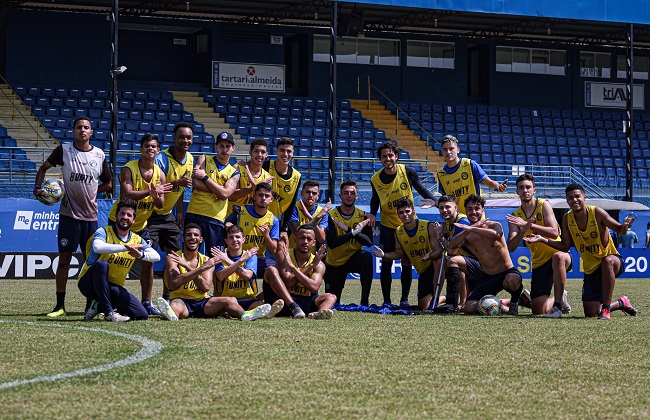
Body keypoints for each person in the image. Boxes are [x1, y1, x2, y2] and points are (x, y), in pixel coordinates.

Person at [34, 116, 112, 317]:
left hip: (90, 218)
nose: (82, 130)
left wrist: (94, 191)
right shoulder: (64, 150)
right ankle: (60, 306)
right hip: (68, 216)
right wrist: (37, 187)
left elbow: (109, 184)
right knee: (64, 261)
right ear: (73, 131)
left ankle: (90, 305)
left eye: (86, 127)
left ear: (91, 132)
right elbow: (43, 169)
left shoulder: (99, 155)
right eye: (79, 127)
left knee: (90, 263)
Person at [525, 183, 638, 320]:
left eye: (577, 196)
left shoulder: (597, 212)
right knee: (591, 313)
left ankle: (606, 309)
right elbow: (565, 246)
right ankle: (621, 303)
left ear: (584, 197)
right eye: (570, 198)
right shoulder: (567, 218)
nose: (574, 200)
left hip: (612, 261)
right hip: (591, 270)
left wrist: (624, 226)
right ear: (567, 201)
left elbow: (620, 230)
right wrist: (543, 239)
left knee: (607, 261)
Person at [106, 134, 172, 316]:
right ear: (141, 149)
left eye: (153, 146)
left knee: (148, 262)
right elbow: (126, 195)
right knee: (112, 262)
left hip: (141, 225)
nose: (150, 149)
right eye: (147, 146)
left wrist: (156, 196)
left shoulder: (160, 174)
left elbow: (160, 204)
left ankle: (147, 303)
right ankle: (104, 301)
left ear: (158, 150)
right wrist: (150, 192)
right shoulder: (129, 169)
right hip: (119, 222)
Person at [368, 141, 438, 307]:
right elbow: (375, 198)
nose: (388, 159)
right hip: (388, 225)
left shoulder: (408, 171)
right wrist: (372, 213)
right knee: (386, 262)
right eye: (384, 156)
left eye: (390, 155)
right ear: (380, 159)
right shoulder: (375, 179)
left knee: (406, 261)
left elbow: (421, 188)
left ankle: (404, 300)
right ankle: (386, 301)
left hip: (407, 224)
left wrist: (435, 201)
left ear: (396, 156)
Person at [157, 223, 272, 321]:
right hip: (181, 300)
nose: (192, 237)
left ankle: (245, 315)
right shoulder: (173, 258)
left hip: (203, 302)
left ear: (201, 239)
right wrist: (199, 268)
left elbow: (206, 287)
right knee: (175, 306)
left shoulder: (207, 260)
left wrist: (188, 267)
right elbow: (174, 283)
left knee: (230, 300)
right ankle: (172, 314)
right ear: (183, 238)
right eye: (188, 235)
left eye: (196, 235)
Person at [78, 200, 160, 322]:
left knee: (141, 314)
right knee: (101, 265)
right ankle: (109, 313)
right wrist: (126, 247)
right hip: (89, 284)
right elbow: (97, 247)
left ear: (134, 220)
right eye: (122, 213)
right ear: (116, 216)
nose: (125, 217)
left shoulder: (137, 239)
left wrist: (140, 254)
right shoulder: (103, 231)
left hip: (112, 287)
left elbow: (156, 256)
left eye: (129, 215)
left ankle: (98, 306)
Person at [506, 174, 572, 317]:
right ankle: (560, 297)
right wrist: (522, 231)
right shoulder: (515, 217)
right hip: (539, 263)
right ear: (517, 191)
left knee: (558, 257)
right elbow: (511, 247)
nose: (525, 190)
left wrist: (529, 225)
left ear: (534, 190)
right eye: (521, 188)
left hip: (559, 254)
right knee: (537, 310)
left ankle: (557, 305)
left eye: (528, 187)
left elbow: (554, 232)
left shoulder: (543, 204)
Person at [448, 194, 524, 315]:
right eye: (470, 209)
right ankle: (499, 306)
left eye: (477, 208)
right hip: (487, 276)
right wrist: (469, 229)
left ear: (482, 210)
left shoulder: (493, 225)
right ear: (465, 211)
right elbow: (451, 247)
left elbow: (497, 234)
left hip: (506, 272)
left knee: (513, 280)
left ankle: (515, 301)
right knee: (468, 308)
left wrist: (472, 228)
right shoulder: (467, 233)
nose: (473, 212)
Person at [371, 198, 439, 310]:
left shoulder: (428, 226)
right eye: (401, 212)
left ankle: (448, 298)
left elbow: (438, 250)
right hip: (424, 271)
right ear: (398, 215)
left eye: (407, 211)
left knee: (439, 261)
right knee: (423, 306)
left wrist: (429, 256)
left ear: (413, 212)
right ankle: (443, 298)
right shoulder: (399, 232)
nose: (405, 215)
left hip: (436, 266)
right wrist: (384, 255)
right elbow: (399, 254)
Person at [263, 225, 337, 319]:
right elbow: (288, 282)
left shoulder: (318, 263)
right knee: (271, 270)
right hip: (282, 301)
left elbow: (313, 287)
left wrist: (296, 267)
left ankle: (318, 314)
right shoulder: (285, 255)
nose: (305, 242)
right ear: (295, 240)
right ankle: (294, 307)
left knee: (331, 297)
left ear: (314, 243)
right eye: (302, 238)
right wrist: (310, 266)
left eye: (309, 239)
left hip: (305, 301)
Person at [186, 131, 240, 253]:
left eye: (227, 146)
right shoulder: (204, 158)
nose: (224, 149)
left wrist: (205, 177)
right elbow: (195, 183)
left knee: (216, 257)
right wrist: (219, 189)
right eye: (221, 146)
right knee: (190, 254)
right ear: (216, 146)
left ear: (233, 148)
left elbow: (225, 195)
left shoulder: (234, 173)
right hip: (195, 212)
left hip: (216, 217)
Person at [213, 225, 284, 317]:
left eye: (237, 237)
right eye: (231, 237)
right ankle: (253, 314)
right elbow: (221, 276)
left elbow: (247, 276)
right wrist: (241, 260)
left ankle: (255, 313)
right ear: (226, 241)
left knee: (260, 304)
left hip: (248, 300)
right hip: (228, 300)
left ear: (243, 239)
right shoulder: (222, 257)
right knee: (229, 306)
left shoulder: (250, 256)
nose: (234, 240)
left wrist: (228, 261)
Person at [148, 121, 195, 258]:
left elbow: (180, 189)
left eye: (188, 138)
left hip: (167, 214)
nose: (185, 141)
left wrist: (180, 212)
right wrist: (178, 182)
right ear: (174, 138)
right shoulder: (161, 159)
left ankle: (171, 273)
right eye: (181, 137)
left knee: (176, 256)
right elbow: (155, 190)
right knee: (148, 256)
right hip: (150, 213)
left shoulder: (190, 158)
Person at [324, 180, 374, 306]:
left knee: (366, 257)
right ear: (340, 196)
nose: (349, 195)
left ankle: (364, 302)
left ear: (356, 196)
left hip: (353, 258)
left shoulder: (362, 215)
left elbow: (368, 242)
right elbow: (332, 243)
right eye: (346, 193)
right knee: (332, 301)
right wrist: (354, 232)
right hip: (335, 262)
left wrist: (347, 230)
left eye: (352, 193)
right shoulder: (331, 216)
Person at [437, 135, 508, 214]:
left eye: (451, 148)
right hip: (457, 218)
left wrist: (498, 187)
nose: (448, 152)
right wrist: (434, 202)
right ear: (442, 152)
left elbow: (489, 183)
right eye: (445, 149)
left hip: (476, 215)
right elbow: (445, 200)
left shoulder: (469, 164)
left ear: (458, 150)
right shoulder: (441, 174)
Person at [434, 195, 479, 313]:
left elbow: (451, 250)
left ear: (456, 208)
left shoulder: (462, 222)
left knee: (454, 260)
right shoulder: (448, 223)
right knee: (444, 261)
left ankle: (456, 303)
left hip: (479, 265)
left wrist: (440, 235)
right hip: (467, 262)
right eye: (441, 208)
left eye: (447, 207)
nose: (444, 210)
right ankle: (441, 299)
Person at [225, 182, 279, 278]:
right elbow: (227, 224)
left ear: (271, 199)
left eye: (267, 196)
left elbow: (273, 250)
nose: (263, 198)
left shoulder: (273, 220)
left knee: (277, 269)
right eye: (260, 195)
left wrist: (266, 236)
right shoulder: (240, 212)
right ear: (254, 197)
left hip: (258, 259)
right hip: (237, 257)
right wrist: (229, 226)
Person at [263, 137, 301, 245]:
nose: (285, 154)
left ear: (293, 153)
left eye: (289, 151)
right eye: (282, 150)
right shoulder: (266, 166)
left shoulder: (297, 176)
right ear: (276, 151)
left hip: (275, 223)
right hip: (257, 218)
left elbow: (291, 205)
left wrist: (284, 229)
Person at [227, 138, 273, 215]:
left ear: (266, 155)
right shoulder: (238, 168)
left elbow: (263, 204)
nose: (259, 155)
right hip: (233, 218)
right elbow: (231, 196)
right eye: (256, 151)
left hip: (252, 219)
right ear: (250, 152)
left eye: (263, 152)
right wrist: (256, 186)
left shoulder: (267, 178)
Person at [288, 180, 330, 250]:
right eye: (308, 192)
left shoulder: (322, 212)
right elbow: (298, 232)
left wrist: (310, 218)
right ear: (301, 193)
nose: (311, 195)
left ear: (318, 196)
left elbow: (321, 238)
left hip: (310, 255)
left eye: (314, 193)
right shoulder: (293, 208)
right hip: (292, 253)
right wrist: (317, 218)